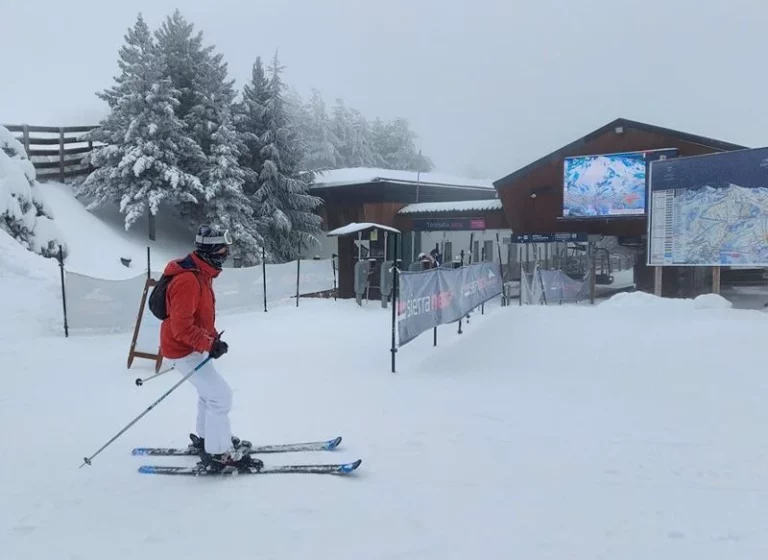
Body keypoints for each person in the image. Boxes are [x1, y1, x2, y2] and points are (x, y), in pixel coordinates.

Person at [159, 225, 262, 472]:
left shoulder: (201, 274)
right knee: (220, 396)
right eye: (223, 249)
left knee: (209, 394)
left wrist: (212, 339)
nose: (226, 254)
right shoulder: (188, 280)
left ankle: (208, 440)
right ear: (211, 251)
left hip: (190, 347)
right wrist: (208, 343)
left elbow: (200, 317)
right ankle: (219, 452)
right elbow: (180, 328)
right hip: (181, 349)